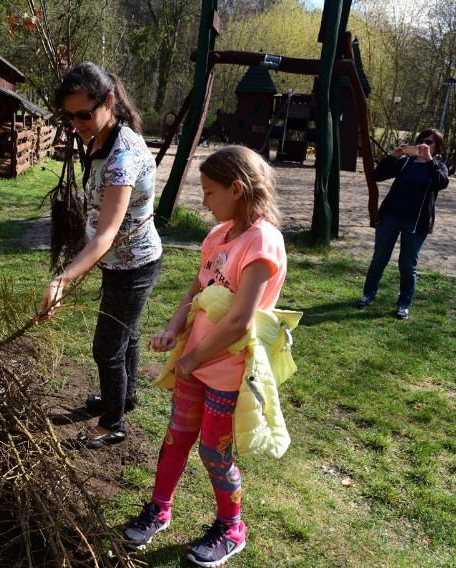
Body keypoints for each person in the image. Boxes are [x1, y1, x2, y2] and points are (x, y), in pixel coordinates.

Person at [123, 146, 287, 567]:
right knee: (177, 435)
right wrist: (174, 327)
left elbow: (238, 322)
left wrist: (193, 359)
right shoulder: (218, 236)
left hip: (227, 371)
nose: (204, 201)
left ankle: (232, 527)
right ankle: (159, 508)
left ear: (237, 189)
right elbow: (197, 292)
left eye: (210, 192)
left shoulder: (262, 243)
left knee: (215, 451)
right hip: (193, 362)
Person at [39, 61, 163, 449]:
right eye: (69, 116)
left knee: (107, 347)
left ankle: (112, 423)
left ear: (109, 101)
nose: (76, 123)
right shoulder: (101, 138)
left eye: (83, 114)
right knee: (126, 335)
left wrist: (63, 278)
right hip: (120, 260)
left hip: (133, 264)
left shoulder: (122, 155)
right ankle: (123, 399)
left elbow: (107, 234)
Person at [356, 129, 449, 319]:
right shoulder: (406, 162)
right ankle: (368, 295)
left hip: (416, 223)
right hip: (391, 217)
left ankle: (403, 304)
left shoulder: (438, 166)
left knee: (407, 265)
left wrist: (430, 160)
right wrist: (392, 156)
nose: (424, 144)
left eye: (429, 142)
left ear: (436, 147)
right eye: (421, 140)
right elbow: (377, 176)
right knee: (379, 259)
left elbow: (441, 183)